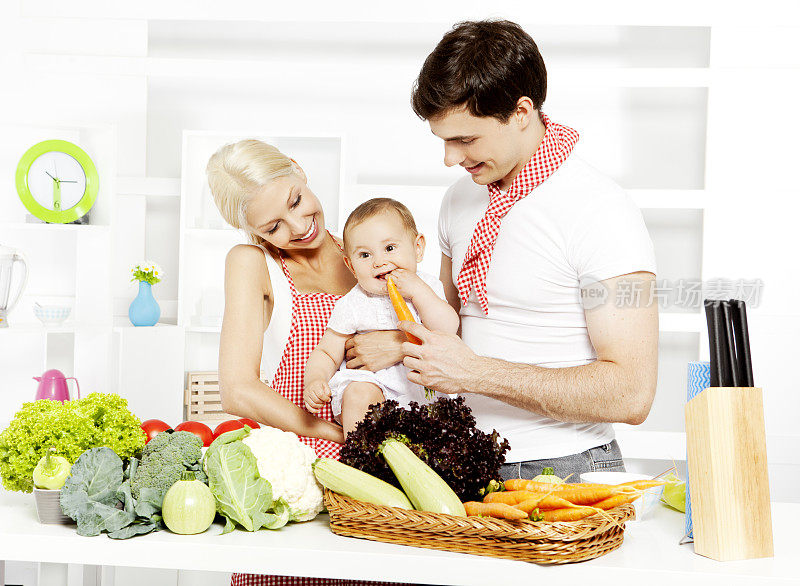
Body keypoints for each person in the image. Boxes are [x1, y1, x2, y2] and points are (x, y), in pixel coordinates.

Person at [393, 19, 659, 481]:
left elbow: (632, 393)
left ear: (521, 111)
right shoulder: (459, 199)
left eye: (466, 139)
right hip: (461, 460)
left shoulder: (599, 208)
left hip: (563, 469)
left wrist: (477, 374)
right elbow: (448, 325)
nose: (450, 159)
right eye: (444, 140)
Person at [207, 140, 410, 586]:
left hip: (382, 473)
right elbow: (237, 389)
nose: (299, 227)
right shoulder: (253, 263)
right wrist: (328, 433)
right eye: (275, 226)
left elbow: (439, 337)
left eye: (297, 201)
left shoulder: (368, 250)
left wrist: (398, 344)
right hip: (300, 474)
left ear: (299, 170)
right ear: (253, 230)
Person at [303, 198, 459, 436]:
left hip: (423, 394)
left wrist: (418, 292)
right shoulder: (353, 302)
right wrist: (314, 380)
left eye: (389, 248)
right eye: (365, 255)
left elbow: (448, 328)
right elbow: (326, 351)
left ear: (418, 248)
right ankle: (361, 462)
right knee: (358, 393)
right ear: (351, 266)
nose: (379, 262)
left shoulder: (427, 286)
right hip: (374, 387)